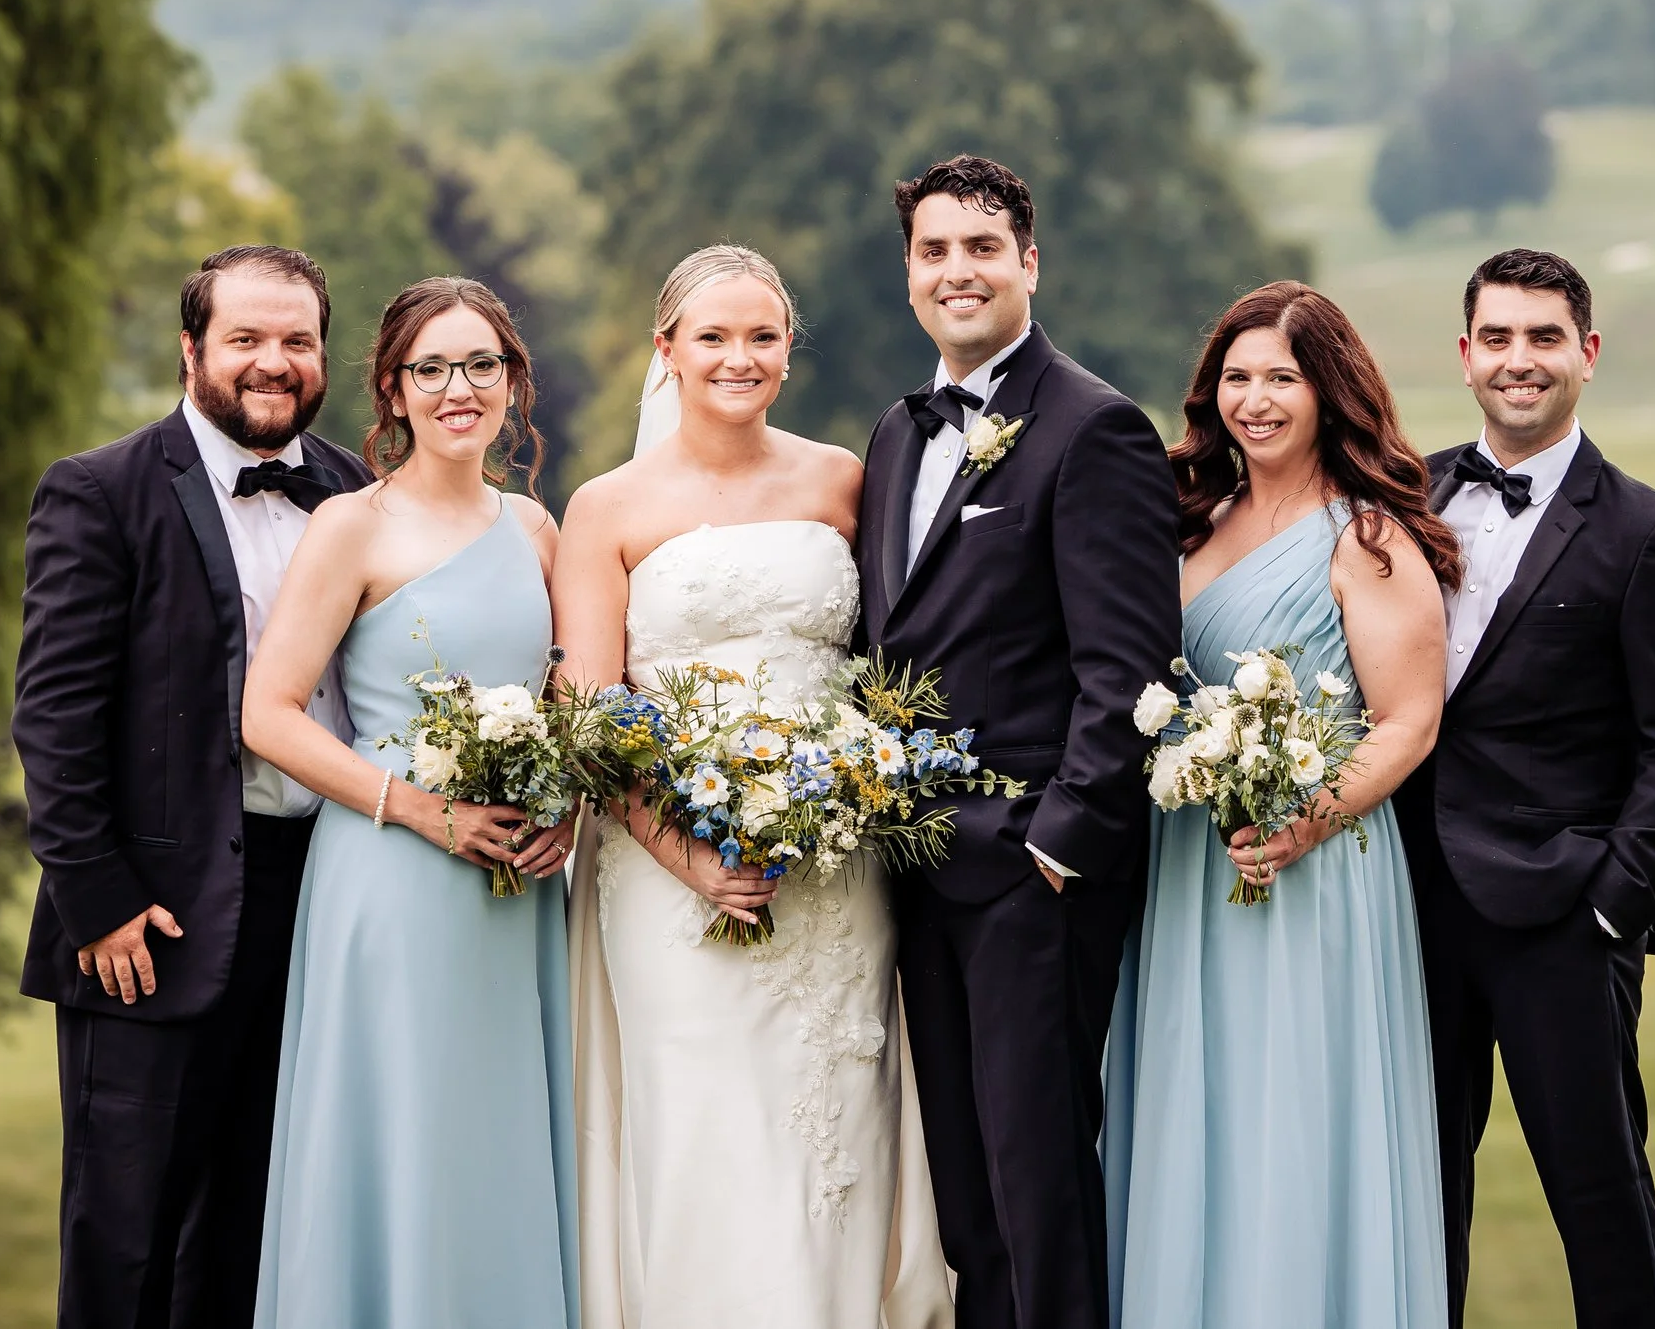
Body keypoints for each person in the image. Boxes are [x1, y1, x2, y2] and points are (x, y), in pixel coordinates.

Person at [554, 245, 954, 1329]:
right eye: (714, 336)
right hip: (667, 875)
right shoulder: (605, 507)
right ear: (667, 350)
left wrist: (853, 789)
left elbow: (889, 666)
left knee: (836, 1118)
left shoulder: (840, 479)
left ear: (788, 350)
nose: (739, 357)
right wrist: (689, 856)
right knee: (704, 1125)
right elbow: (589, 715)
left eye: (762, 336)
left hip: (832, 870)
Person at [14, 245, 370, 1329]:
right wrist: (98, 898)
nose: (274, 361)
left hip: (324, 904)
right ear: (191, 348)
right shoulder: (100, 490)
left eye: (297, 340)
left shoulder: (359, 492)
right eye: (245, 338)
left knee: (261, 1233)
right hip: (152, 920)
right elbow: (54, 717)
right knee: (129, 1239)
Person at [857, 156, 1181, 1329]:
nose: (958, 270)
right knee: (970, 1201)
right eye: (935, 250)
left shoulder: (1096, 428)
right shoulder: (896, 432)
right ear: (908, 272)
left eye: (982, 247)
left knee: (1039, 1187)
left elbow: (1130, 668)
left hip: (1031, 879)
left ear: (1029, 263)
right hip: (915, 867)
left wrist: (1056, 845)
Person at [1101, 282, 1453, 1328]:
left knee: (1290, 1112)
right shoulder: (1187, 516)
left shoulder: (1367, 538)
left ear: (1329, 392)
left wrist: (1302, 822)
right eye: (1236, 377)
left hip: (1309, 870)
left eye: (1281, 378)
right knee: (1190, 1101)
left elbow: (1406, 722)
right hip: (1180, 863)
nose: (1254, 400)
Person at [240, 277, 577, 1327]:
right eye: (430, 368)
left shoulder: (537, 528)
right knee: (403, 1130)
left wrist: (566, 806)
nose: (457, 388)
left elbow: (568, 705)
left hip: (515, 891)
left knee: (495, 1134)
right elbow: (269, 713)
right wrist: (425, 812)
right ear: (391, 389)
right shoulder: (351, 525)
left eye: (480, 364)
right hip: (390, 873)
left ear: (513, 382)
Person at [1397, 249, 1655, 1329]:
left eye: (1544, 337)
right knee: (1414, 1203)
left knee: (1600, 1201)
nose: (1519, 360)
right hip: (1406, 912)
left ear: (1587, 353)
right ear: (1464, 355)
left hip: (1562, 922)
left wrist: (1611, 907)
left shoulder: (1650, 532)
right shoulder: (1402, 495)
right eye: (1497, 337)